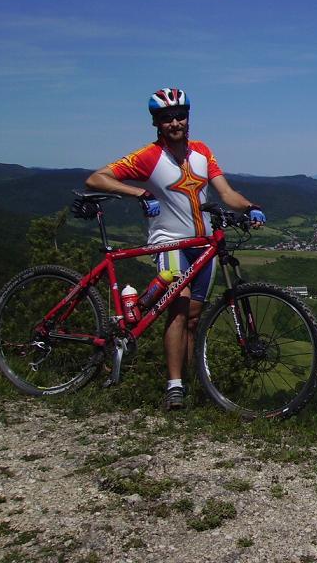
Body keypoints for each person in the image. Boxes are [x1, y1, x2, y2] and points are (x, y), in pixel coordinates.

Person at [86, 87, 266, 410]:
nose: (174, 122)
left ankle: (193, 384)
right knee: (179, 310)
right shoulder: (149, 156)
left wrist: (251, 206)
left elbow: (226, 193)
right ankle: (174, 387)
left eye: (180, 116)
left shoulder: (202, 152)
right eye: (167, 118)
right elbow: (97, 179)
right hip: (170, 243)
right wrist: (140, 194)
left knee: (194, 320)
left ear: (188, 117)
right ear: (156, 123)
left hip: (204, 246)